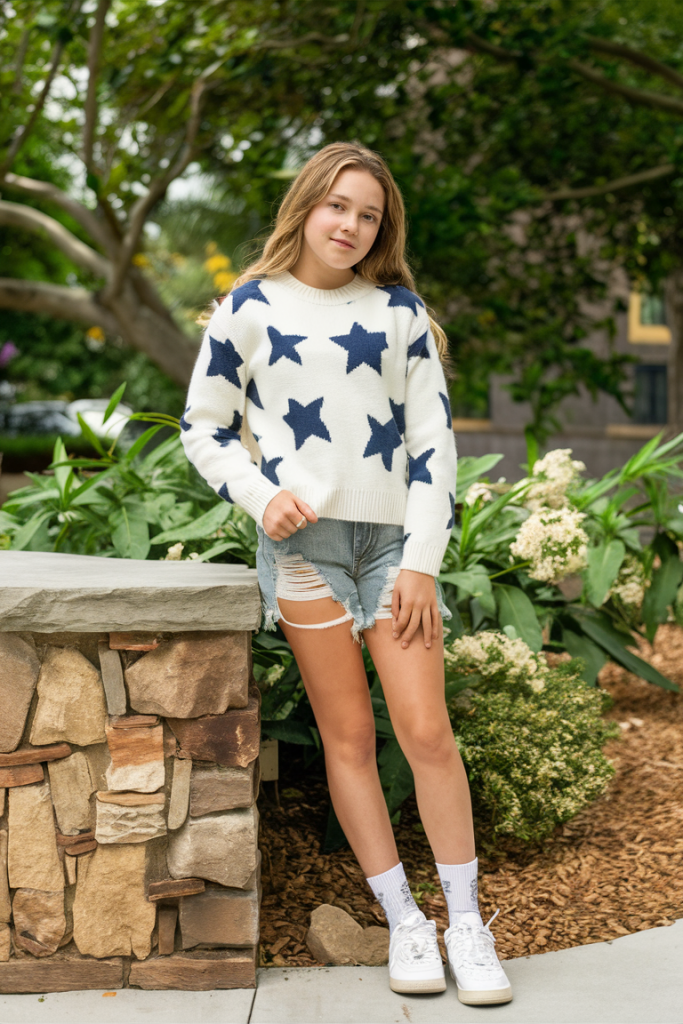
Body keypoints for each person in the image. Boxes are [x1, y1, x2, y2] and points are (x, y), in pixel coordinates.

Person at [181, 141, 512, 1005]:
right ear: (307, 206)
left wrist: (423, 564)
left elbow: (435, 447)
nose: (352, 227)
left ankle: (466, 924)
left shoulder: (399, 314)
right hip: (303, 555)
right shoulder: (247, 309)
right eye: (339, 206)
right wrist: (261, 497)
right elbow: (203, 428)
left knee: (425, 731)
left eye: (369, 215)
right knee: (349, 740)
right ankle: (403, 918)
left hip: (391, 551)